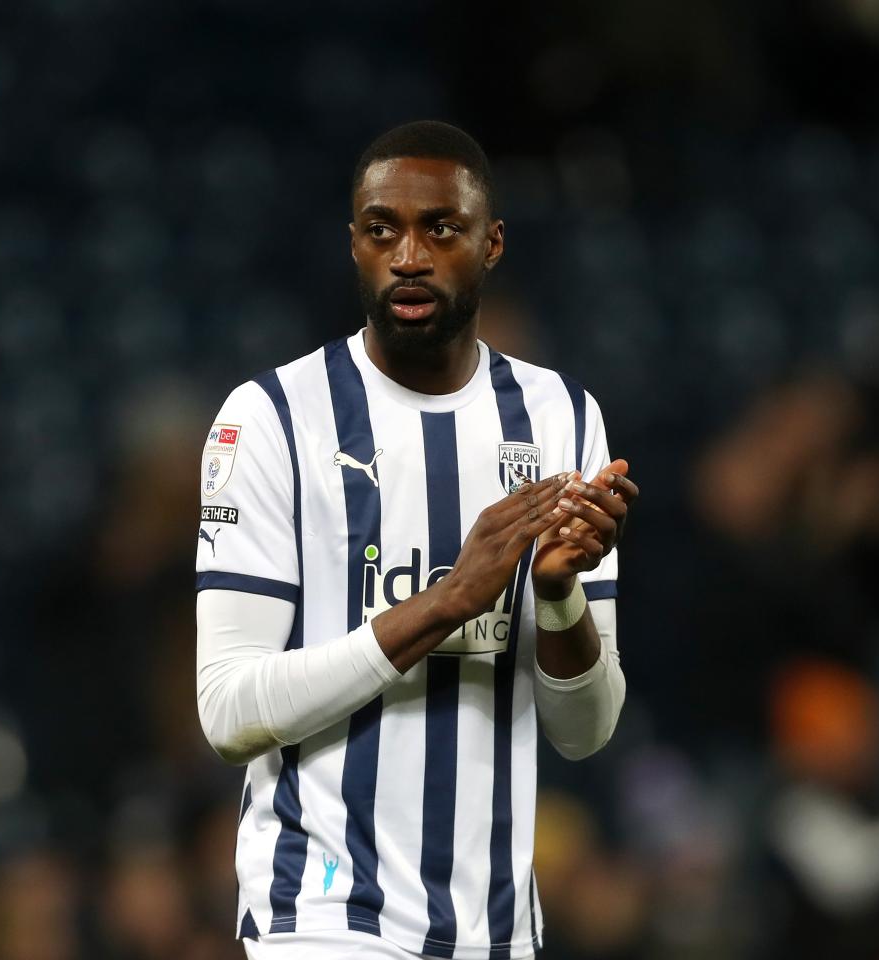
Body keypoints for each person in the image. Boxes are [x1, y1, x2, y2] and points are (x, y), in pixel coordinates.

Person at [194, 120, 638, 960]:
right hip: (322, 917)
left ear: (492, 244)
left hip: (497, 930)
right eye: (381, 230)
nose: (409, 255)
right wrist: (446, 602)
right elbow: (226, 712)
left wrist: (555, 593)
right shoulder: (270, 420)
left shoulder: (561, 419)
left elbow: (585, 730)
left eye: (441, 228)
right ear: (353, 245)